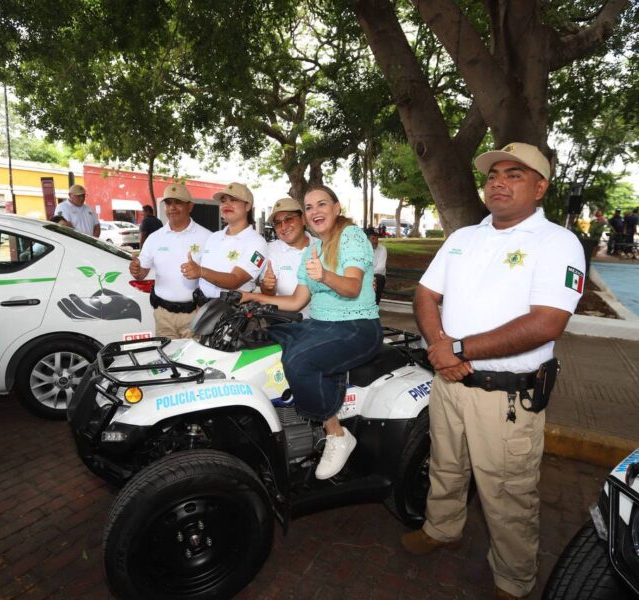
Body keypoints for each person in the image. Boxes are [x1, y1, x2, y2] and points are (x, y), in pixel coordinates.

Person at [403, 143, 585, 600]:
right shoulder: (464, 237)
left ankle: (514, 578)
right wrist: (440, 347)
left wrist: (456, 347)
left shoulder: (558, 243)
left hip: (505, 397)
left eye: (515, 175)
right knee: (445, 465)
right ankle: (442, 528)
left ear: (540, 187)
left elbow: (546, 322)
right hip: (450, 383)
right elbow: (425, 294)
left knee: (507, 493)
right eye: (492, 175)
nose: (498, 182)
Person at [241, 185, 382, 480]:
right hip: (320, 323)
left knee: (300, 362)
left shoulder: (352, 236)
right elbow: (296, 301)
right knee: (271, 339)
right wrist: (255, 299)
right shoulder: (313, 249)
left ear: (336, 207)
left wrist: (325, 275)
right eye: (309, 207)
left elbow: (353, 286)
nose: (315, 211)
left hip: (356, 326)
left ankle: (336, 433)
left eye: (321, 204)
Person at [129, 184, 211, 339]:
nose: (172, 208)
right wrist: (136, 270)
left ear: (190, 206)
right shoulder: (155, 238)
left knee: (192, 362)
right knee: (166, 361)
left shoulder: (207, 237)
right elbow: (141, 273)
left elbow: (215, 276)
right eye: (168, 203)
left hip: (194, 314)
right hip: (163, 316)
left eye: (178, 202)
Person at [182, 182, 267, 299]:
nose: (226, 204)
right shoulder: (214, 237)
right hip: (204, 308)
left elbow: (236, 280)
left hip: (233, 312)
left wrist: (201, 271)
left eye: (233, 200)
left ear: (247, 206)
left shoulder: (258, 243)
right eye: (223, 201)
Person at [260, 197, 312, 318]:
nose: (283, 227)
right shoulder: (271, 249)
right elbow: (268, 293)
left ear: (303, 219)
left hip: (324, 321)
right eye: (278, 223)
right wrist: (268, 286)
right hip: (286, 322)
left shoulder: (322, 246)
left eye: (289, 219)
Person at [365, 227, 387, 305]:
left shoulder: (382, 249)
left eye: (377, 238)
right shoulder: (361, 249)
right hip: (364, 275)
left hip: (377, 276)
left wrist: (368, 275)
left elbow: (381, 268)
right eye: (373, 238)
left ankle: (374, 306)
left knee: (378, 278)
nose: (376, 241)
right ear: (366, 239)